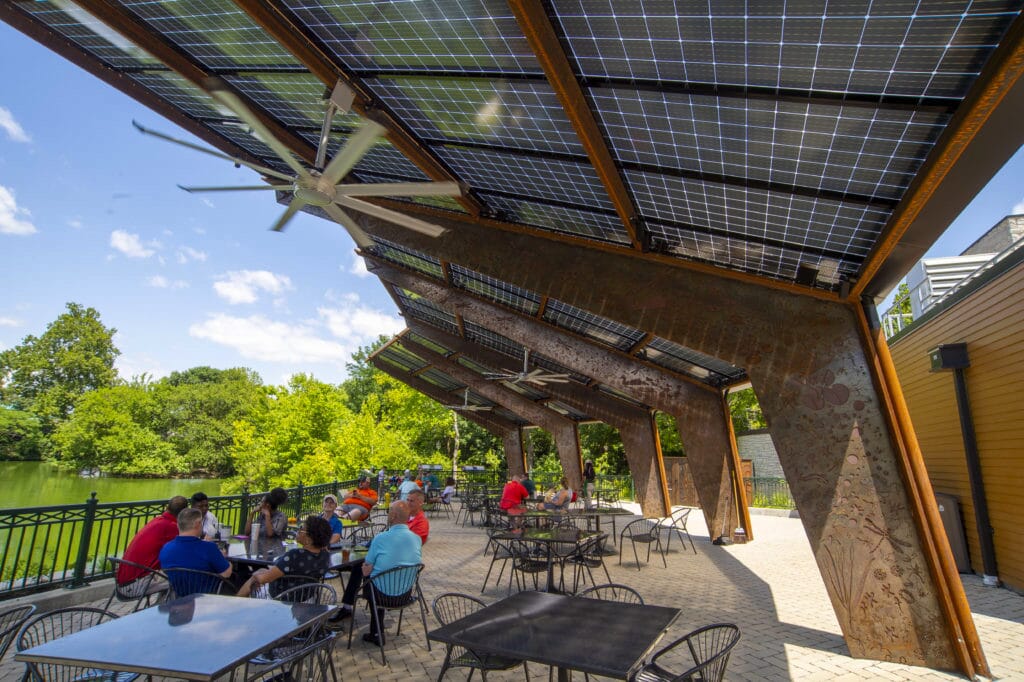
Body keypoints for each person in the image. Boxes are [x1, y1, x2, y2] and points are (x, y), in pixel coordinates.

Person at [358, 501, 422, 645]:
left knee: (369, 577)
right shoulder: (416, 539)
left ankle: (376, 632)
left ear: (392, 516)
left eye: (389, 511)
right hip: (405, 595)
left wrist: (368, 570)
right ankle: (376, 631)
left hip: (381, 597)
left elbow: (367, 567)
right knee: (381, 578)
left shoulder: (380, 538)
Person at [237, 515, 333, 598]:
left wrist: (255, 575)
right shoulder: (325, 556)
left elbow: (263, 579)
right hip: (307, 598)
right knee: (262, 571)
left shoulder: (294, 555)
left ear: (309, 539)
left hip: (281, 599)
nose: (298, 530)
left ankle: (235, 603)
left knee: (255, 577)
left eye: (301, 528)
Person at [158, 508, 231, 595]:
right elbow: (226, 574)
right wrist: (224, 558)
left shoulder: (166, 548)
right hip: (206, 598)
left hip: (177, 597)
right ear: (197, 524)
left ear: (178, 525)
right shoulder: (209, 548)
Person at [119, 496, 189, 583]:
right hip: (137, 583)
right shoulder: (171, 526)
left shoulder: (157, 520)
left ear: (167, 507)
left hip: (124, 580)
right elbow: (183, 552)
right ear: (184, 513)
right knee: (183, 577)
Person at [243, 487, 289, 553]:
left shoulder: (281, 517)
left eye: (262, 502)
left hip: (275, 550)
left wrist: (267, 516)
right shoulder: (262, 516)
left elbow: (270, 534)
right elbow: (247, 532)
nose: (260, 504)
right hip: (260, 548)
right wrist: (252, 514)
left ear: (267, 505)